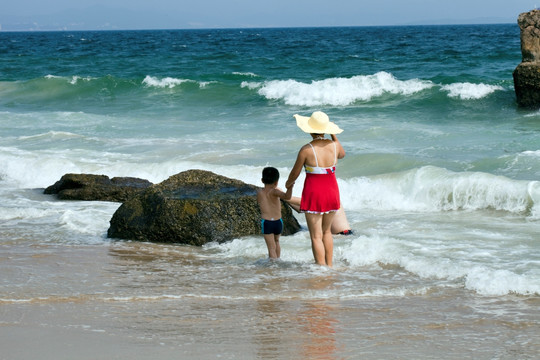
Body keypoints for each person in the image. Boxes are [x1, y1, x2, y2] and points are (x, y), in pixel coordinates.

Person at [286, 111, 345, 267]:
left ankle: (320, 269)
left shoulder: (306, 149)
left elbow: (295, 173)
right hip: (332, 192)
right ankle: (330, 265)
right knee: (327, 232)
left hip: (314, 192)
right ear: (326, 129)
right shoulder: (334, 146)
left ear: (310, 130)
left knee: (316, 236)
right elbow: (342, 155)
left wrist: (288, 185)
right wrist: (333, 135)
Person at [257, 167, 293, 259]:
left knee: (271, 248)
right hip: (278, 222)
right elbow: (287, 197)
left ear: (262, 180)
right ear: (276, 182)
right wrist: (290, 188)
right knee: (277, 242)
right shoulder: (275, 192)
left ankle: (273, 266)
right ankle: (278, 261)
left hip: (267, 222)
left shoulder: (259, 193)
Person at [286, 196, 353, 235]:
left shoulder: (327, 194)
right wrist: (286, 201)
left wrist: (282, 195)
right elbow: (302, 209)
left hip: (342, 234)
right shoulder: (329, 192)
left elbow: (304, 203)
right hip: (343, 235)